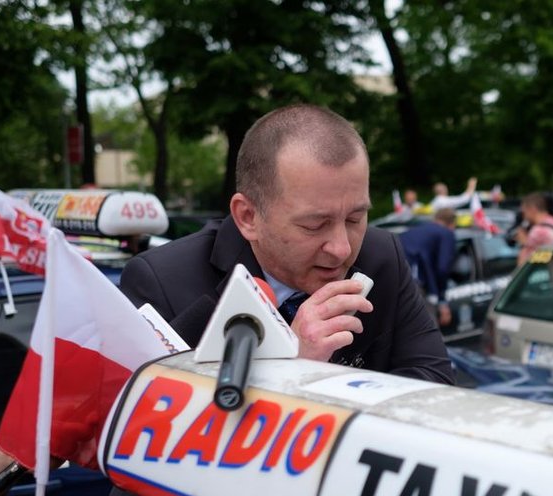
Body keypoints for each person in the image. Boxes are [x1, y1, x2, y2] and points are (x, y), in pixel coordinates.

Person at [120, 104, 453, 385]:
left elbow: (435, 386)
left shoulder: (382, 256)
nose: (341, 249)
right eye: (314, 224)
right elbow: (150, 427)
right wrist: (289, 366)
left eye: (355, 218)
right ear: (248, 216)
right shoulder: (162, 282)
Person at [399, 208, 457, 327]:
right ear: (452, 224)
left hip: (392, 277)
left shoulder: (415, 230)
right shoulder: (446, 233)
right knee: (428, 330)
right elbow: (443, 268)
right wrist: (442, 300)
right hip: (414, 282)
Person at [515, 191, 553, 266]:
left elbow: (523, 265)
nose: (524, 216)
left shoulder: (538, 231)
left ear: (532, 209)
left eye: (524, 212)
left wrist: (524, 244)